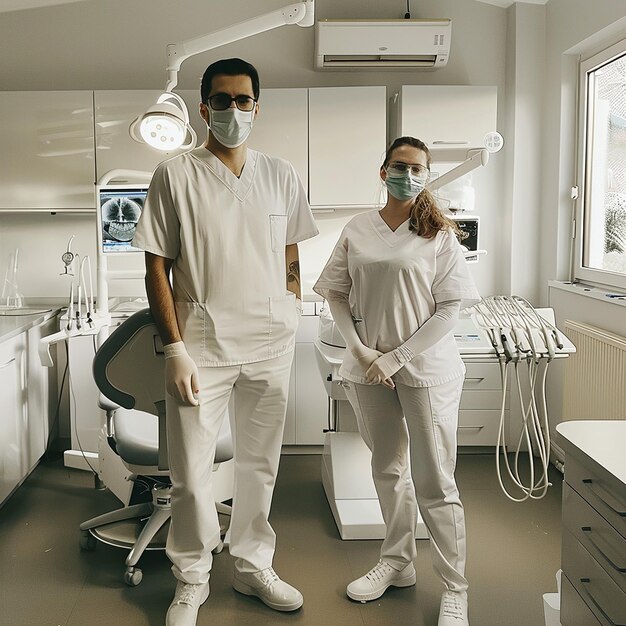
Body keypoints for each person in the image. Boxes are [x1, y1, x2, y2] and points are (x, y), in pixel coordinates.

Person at [133, 57, 318, 626]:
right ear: (203, 105)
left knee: (259, 468)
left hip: (271, 343)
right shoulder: (176, 174)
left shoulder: (281, 174)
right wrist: (174, 349)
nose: (232, 110)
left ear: (257, 107)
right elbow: (156, 268)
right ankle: (191, 577)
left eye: (243, 100)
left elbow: (290, 253)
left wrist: (291, 304)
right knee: (191, 474)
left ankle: (252, 564)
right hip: (203, 350)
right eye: (221, 100)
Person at [313, 136, 480, 626]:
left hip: (426, 370)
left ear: (426, 176)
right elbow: (336, 294)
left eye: (418, 168)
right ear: (382, 171)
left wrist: (398, 356)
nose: (408, 175)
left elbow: (451, 310)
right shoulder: (358, 228)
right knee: (387, 469)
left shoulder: (439, 234)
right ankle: (398, 561)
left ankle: (455, 587)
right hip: (368, 369)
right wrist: (362, 350)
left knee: (435, 480)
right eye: (399, 166)